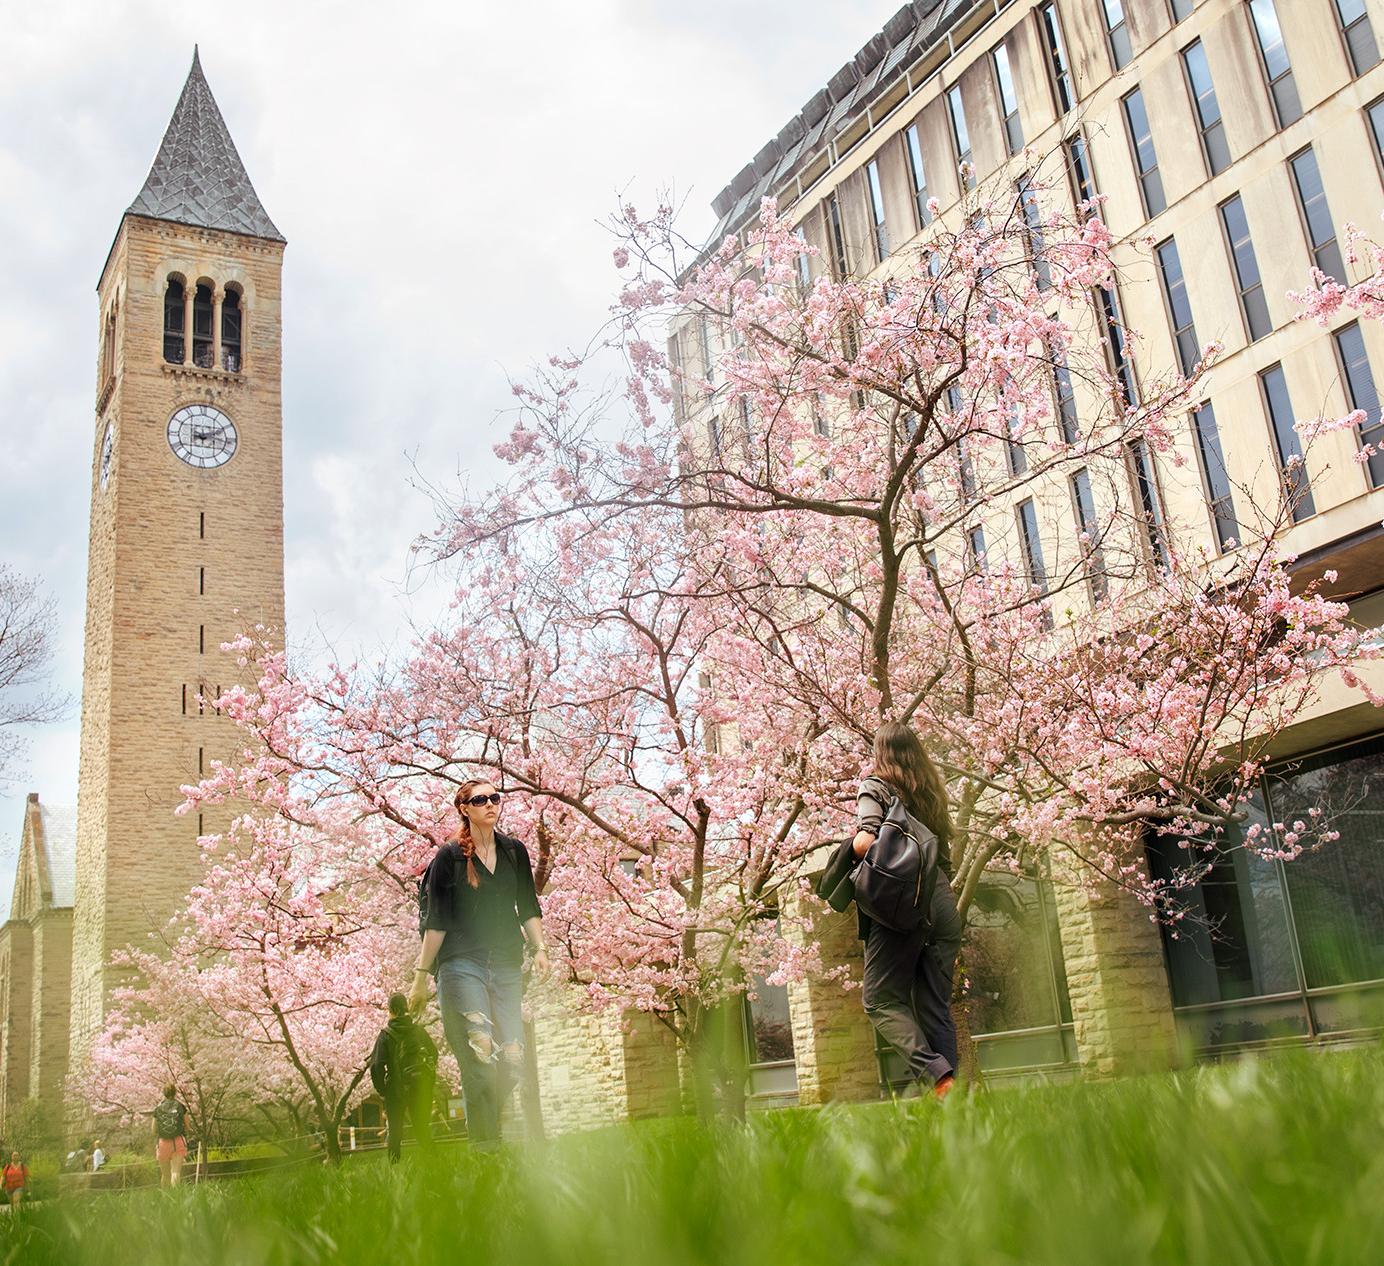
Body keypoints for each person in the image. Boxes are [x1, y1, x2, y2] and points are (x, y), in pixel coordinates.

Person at [408, 779, 550, 1148]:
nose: (490, 804)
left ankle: (488, 1131)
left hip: (505, 962)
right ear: (464, 809)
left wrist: (540, 949)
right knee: (480, 1050)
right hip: (461, 963)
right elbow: (435, 921)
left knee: (513, 1059)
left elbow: (528, 906)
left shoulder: (515, 852)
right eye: (480, 799)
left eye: (495, 797)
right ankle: (485, 1148)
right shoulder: (449, 857)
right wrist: (420, 978)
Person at [850, 721, 963, 1100]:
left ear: (881, 752)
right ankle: (951, 1105)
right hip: (942, 902)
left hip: (903, 904)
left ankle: (937, 1075)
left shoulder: (876, 786)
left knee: (879, 999)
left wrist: (847, 852)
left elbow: (867, 840)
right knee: (935, 1007)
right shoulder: (931, 791)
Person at [370, 992, 439, 1162]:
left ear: (391, 1010)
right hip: (419, 1087)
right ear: (406, 1008)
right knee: (422, 1128)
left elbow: (376, 1066)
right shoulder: (419, 1031)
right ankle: (435, 1163)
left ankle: (395, 1169)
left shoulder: (386, 1034)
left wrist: (383, 1090)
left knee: (395, 1132)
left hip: (395, 1090)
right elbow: (434, 1054)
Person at [152, 1084, 189, 1186]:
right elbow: (187, 1126)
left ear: (164, 1093)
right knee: (175, 1172)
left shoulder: (158, 1108)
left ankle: (165, 1200)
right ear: (175, 1093)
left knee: (165, 1175)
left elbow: (153, 1130)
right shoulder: (181, 1106)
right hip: (178, 1141)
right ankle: (176, 1197)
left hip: (162, 1143)